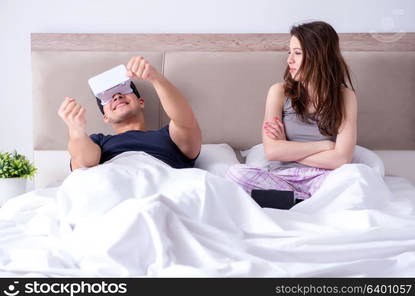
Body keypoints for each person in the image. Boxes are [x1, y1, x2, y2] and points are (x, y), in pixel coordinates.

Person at [226, 21, 357, 205]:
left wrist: (287, 147)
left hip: (322, 178)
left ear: (318, 56)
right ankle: (309, 203)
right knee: (235, 174)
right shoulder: (278, 92)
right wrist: (325, 146)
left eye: (297, 53)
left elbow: (342, 159)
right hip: (283, 178)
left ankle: (291, 202)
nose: (289, 60)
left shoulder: (345, 97)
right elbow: (272, 151)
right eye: (290, 52)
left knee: (357, 178)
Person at [58, 56, 202, 170]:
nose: (117, 96)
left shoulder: (170, 136)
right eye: (108, 98)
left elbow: (186, 121)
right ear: (105, 117)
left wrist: (155, 77)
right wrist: (76, 130)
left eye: (123, 92)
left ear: (141, 102)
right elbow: (83, 164)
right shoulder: (98, 142)